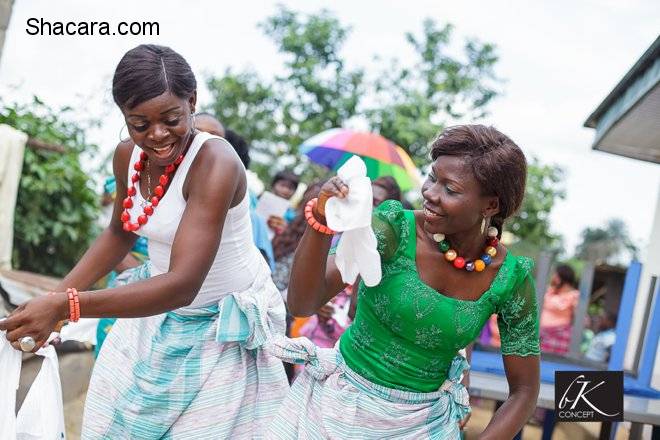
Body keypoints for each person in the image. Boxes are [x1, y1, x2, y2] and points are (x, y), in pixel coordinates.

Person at [0, 44, 288, 438]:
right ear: (123, 116)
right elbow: (120, 231)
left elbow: (183, 285)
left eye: (172, 119)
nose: (157, 135)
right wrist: (57, 296)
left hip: (221, 328)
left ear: (192, 101)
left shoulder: (215, 162)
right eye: (139, 124)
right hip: (158, 315)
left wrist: (65, 306)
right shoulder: (127, 158)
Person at [269, 125, 540, 439]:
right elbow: (303, 302)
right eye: (431, 177)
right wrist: (320, 219)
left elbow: (524, 390)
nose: (430, 193)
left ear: (490, 205)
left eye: (450, 189)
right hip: (335, 411)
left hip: (425, 427)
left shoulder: (510, 278)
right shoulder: (393, 228)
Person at [194, 113, 275, 269]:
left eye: (214, 137)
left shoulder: (252, 218)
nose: (203, 142)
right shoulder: (157, 186)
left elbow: (261, 267)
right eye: (197, 132)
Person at [539, 264, 580, 354]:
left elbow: (579, 318)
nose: (553, 277)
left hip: (560, 335)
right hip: (541, 334)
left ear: (563, 277)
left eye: (555, 275)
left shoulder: (574, 296)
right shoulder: (550, 291)